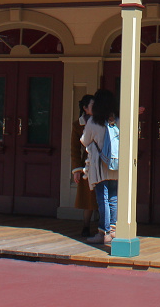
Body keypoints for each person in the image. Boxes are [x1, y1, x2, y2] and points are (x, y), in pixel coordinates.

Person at [81, 88, 119, 246]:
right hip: (115, 163)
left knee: (102, 198)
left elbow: (85, 140)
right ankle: (114, 230)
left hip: (100, 165)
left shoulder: (93, 121)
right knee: (113, 198)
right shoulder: (117, 120)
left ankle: (104, 232)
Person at [69, 94, 96, 237]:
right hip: (88, 164)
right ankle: (86, 226)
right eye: (92, 105)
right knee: (88, 198)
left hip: (102, 162)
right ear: (85, 108)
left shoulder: (102, 121)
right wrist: (77, 170)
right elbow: (74, 148)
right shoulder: (77, 125)